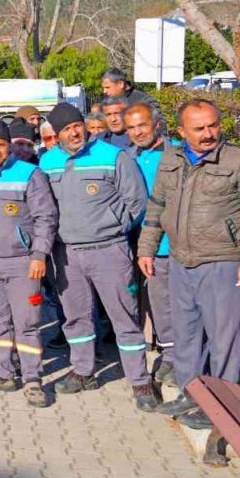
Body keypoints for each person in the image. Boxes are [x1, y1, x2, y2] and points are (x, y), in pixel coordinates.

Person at [144, 99, 240, 428]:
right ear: (181, 131)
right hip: (181, 260)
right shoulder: (171, 158)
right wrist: (147, 248)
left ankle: (222, 406)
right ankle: (193, 393)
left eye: (213, 125)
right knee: (186, 334)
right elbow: (157, 204)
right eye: (199, 128)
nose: (208, 133)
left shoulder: (239, 161)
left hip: (224, 263)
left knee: (224, 339)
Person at [39, 103, 156, 411]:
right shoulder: (48, 161)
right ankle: (82, 370)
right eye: (66, 129)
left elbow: (138, 202)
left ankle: (140, 380)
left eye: (77, 125)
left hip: (109, 250)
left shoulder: (113, 156)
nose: (74, 132)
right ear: (57, 134)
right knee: (76, 315)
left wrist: (113, 226)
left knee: (123, 315)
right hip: (66, 254)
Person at [0, 120, 57, 407]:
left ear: (9, 146)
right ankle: (3, 372)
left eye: (0, 146)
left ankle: (32, 378)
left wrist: (39, 254)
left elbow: (46, 217)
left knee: (27, 323)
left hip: (22, 264)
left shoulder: (30, 174)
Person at [123, 102, 177, 386]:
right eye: (131, 128)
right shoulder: (126, 158)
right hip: (145, 247)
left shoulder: (179, 153)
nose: (137, 132)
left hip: (178, 244)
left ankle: (186, 358)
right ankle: (169, 355)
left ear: (156, 123)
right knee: (159, 303)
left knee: (185, 305)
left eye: (141, 125)